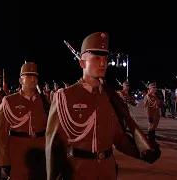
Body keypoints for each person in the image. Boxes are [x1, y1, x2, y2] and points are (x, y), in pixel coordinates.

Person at [45, 32, 140, 180]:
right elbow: (55, 145)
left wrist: (141, 151)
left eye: (105, 58)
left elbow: (118, 137)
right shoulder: (65, 96)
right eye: (96, 58)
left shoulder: (110, 96)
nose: (103, 63)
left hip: (107, 170)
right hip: (79, 170)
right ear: (82, 63)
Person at [0, 62, 49, 179]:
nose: (33, 79)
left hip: (40, 153)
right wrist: (4, 161)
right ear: (21, 80)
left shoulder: (45, 101)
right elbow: (1, 133)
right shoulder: (9, 101)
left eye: (35, 76)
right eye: (29, 76)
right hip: (17, 154)